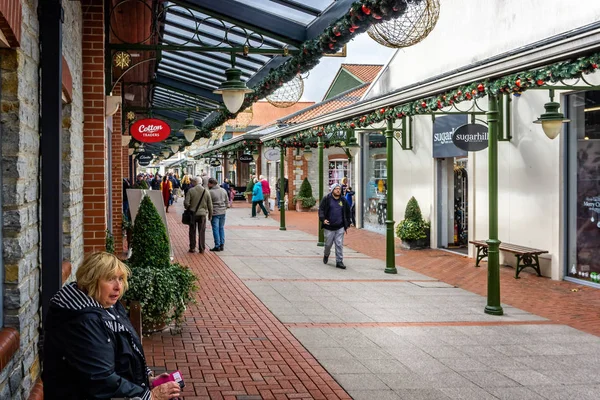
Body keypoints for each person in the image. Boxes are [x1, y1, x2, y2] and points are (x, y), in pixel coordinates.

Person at [42, 252, 181, 400]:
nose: (118, 286)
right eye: (110, 279)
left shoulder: (106, 304)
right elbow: (101, 379)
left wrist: (146, 379)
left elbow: (125, 349)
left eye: (120, 279)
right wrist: (149, 396)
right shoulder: (84, 321)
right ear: (91, 281)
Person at [318, 183, 351, 269]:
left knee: (339, 244)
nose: (338, 190)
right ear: (332, 190)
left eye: (339, 189)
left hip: (340, 226)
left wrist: (347, 223)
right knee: (328, 244)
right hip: (329, 226)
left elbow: (348, 212)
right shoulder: (326, 199)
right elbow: (321, 209)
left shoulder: (343, 200)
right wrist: (323, 219)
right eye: (336, 189)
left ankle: (339, 261)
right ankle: (326, 254)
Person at [184, 177, 213, 253]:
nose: (192, 183)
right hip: (202, 214)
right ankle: (202, 248)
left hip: (193, 214)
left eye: (193, 182)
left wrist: (190, 208)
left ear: (195, 182)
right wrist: (210, 215)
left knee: (192, 231)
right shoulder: (206, 191)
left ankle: (192, 247)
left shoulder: (191, 191)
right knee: (202, 231)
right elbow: (210, 205)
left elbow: (186, 203)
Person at [208, 178, 229, 252]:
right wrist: (224, 208)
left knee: (215, 229)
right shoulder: (223, 190)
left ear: (211, 184)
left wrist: (209, 212)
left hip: (215, 212)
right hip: (222, 212)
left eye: (208, 183)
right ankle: (222, 244)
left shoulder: (210, 192)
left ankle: (217, 245)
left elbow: (209, 203)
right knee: (221, 228)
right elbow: (227, 201)